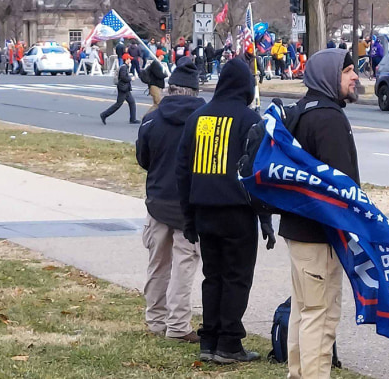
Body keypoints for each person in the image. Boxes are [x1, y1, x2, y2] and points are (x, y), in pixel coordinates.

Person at [176, 57, 276, 364]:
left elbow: (182, 170)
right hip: (237, 212)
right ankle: (230, 342)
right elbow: (259, 174)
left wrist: (188, 217)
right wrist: (265, 220)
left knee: (213, 276)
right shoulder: (250, 120)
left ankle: (210, 339)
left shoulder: (198, 117)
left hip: (203, 209)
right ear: (247, 86)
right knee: (237, 277)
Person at [280, 48, 359, 379]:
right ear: (329, 76)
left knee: (303, 310)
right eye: (348, 72)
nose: (355, 77)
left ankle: (298, 373)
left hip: (299, 229)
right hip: (320, 234)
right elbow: (341, 185)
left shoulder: (302, 111)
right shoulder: (328, 118)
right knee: (320, 315)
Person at [136, 58, 206, 344]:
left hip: (158, 201)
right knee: (184, 264)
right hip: (190, 204)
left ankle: (155, 319)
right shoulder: (204, 120)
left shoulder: (152, 118)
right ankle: (178, 325)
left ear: (171, 88)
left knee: (158, 264)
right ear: (194, 91)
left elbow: (144, 160)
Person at [100, 53, 139, 125]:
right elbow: (123, 77)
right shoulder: (124, 67)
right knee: (118, 104)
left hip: (125, 88)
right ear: (126, 60)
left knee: (132, 102)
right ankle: (104, 114)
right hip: (123, 88)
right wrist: (131, 78)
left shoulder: (125, 67)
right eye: (129, 59)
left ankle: (133, 119)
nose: (130, 60)